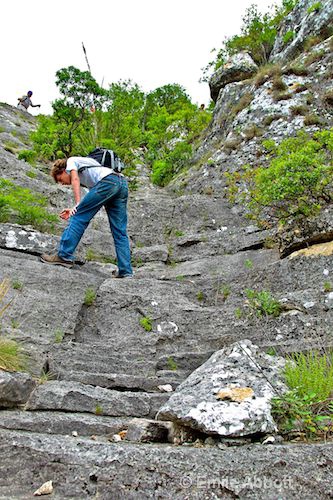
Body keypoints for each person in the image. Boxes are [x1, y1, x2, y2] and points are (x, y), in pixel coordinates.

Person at [40, 156, 133, 278]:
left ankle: (63, 255)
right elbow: (92, 197)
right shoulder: (89, 169)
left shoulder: (71, 161)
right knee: (120, 231)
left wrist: (78, 206)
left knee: (78, 218)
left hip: (108, 183)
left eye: (60, 179)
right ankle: (126, 271)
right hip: (121, 184)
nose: (62, 184)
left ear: (63, 170)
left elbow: (75, 179)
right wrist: (76, 207)